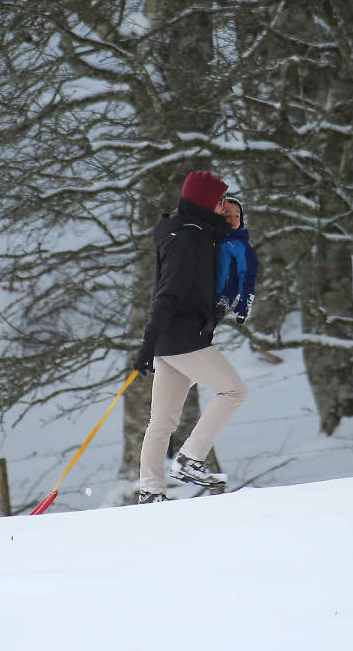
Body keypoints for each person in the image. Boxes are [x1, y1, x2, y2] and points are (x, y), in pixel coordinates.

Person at [133, 171, 250, 503]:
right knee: (234, 391)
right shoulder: (188, 240)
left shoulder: (192, 232)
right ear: (201, 202)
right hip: (182, 338)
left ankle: (151, 491)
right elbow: (167, 295)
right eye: (217, 201)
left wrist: (152, 343)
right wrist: (147, 341)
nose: (221, 206)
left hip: (171, 340)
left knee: (162, 422)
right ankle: (190, 458)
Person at [215, 195, 258, 326]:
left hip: (218, 301)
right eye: (227, 215)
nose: (233, 220)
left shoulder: (239, 244)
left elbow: (247, 273)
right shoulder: (212, 238)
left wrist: (246, 300)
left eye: (237, 216)